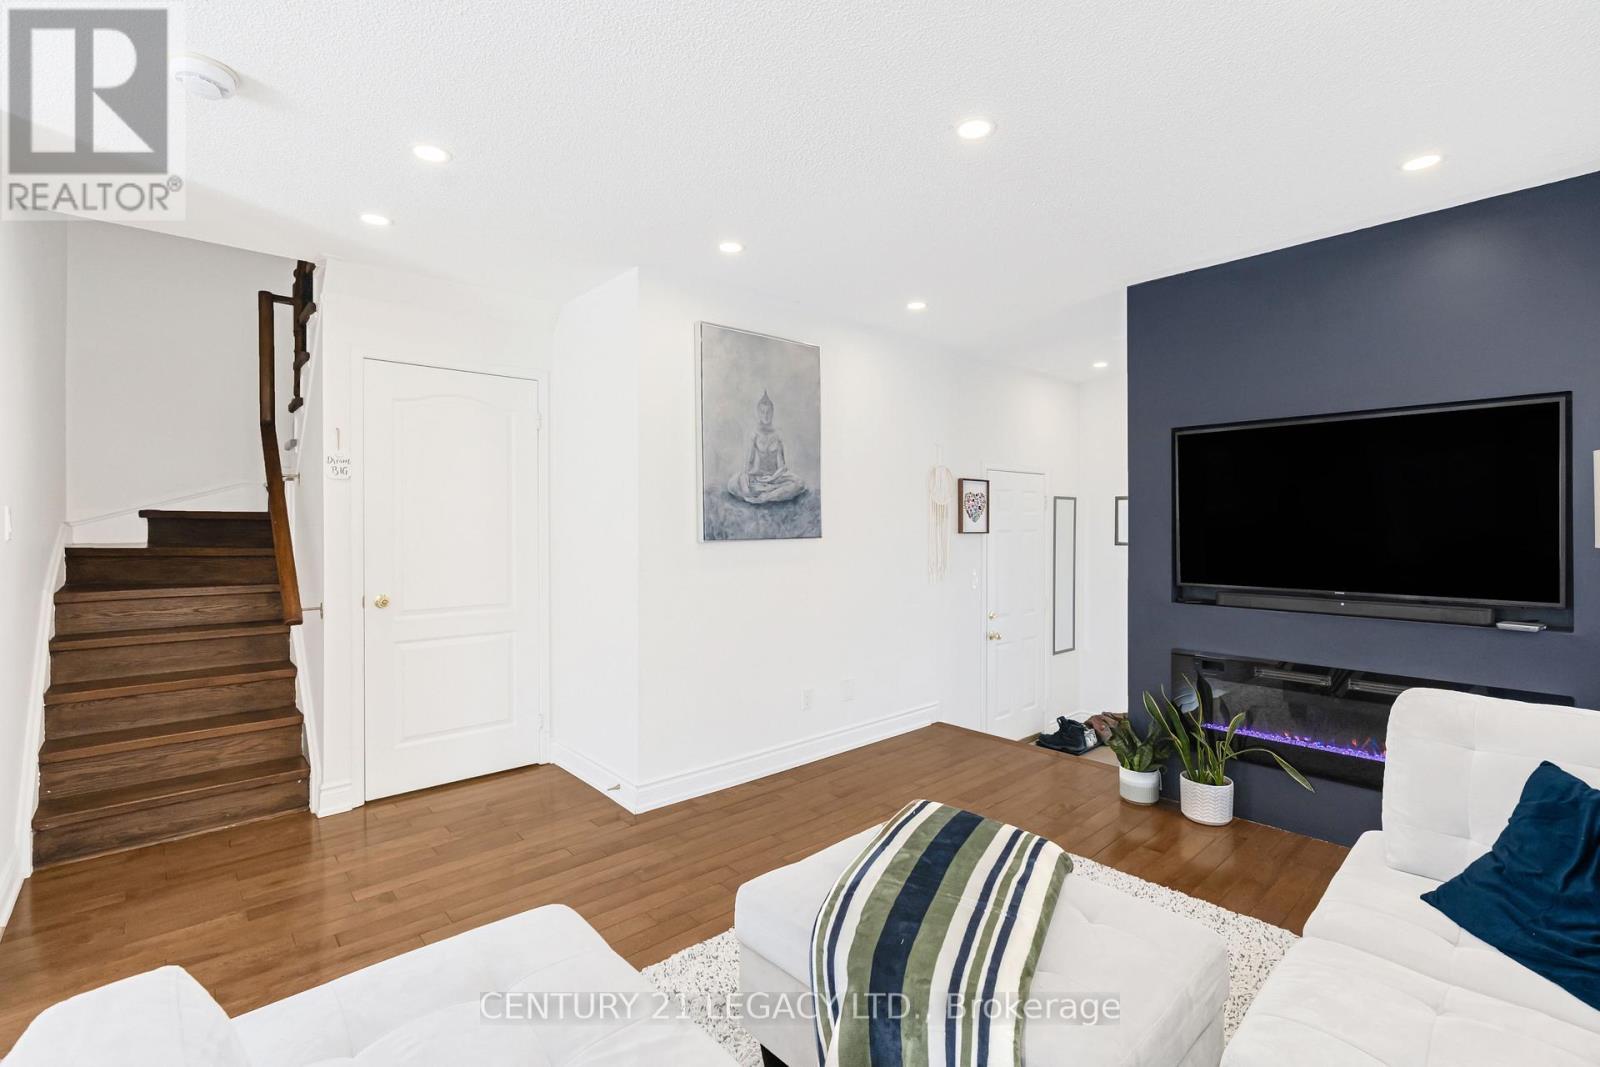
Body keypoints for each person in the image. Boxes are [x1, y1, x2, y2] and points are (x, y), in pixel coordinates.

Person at [727, 389, 807, 504]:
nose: (766, 415)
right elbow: (748, 465)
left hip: (774, 479)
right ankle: (767, 493)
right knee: (733, 483)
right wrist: (749, 478)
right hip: (756, 478)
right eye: (763, 412)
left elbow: (782, 467)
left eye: (768, 412)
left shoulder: (777, 435)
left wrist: (772, 478)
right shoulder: (754, 435)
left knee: (799, 483)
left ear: (772, 412)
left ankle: (764, 497)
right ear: (758, 413)